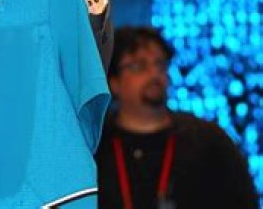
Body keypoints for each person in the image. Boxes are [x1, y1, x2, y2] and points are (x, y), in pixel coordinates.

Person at [95, 25, 259, 209]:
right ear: (114, 82)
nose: (154, 74)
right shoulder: (96, 144)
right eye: (140, 66)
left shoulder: (208, 140)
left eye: (160, 64)